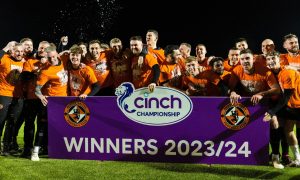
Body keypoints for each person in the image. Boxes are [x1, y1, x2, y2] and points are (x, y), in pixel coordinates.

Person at [32, 45, 68, 161]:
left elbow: (73, 53)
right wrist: (41, 96)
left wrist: (66, 47)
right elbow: (37, 89)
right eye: (49, 58)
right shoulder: (45, 71)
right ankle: (35, 152)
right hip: (51, 102)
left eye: (53, 57)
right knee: (42, 127)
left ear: (57, 54)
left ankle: (59, 150)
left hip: (64, 101)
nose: (52, 59)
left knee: (61, 126)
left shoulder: (64, 60)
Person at [264, 51, 300, 167]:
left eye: (273, 59)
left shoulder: (287, 72)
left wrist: (271, 111)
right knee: (287, 130)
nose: (270, 61)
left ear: (280, 59)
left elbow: (286, 96)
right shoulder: (274, 73)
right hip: (291, 107)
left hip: (297, 106)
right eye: (268, 59)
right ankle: (297, 159)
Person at [0, 43, 25, 155]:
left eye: (21, 51)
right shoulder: (4, 58)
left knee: (12, 123)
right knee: (0, 121)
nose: (19, 53)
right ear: (11, 51)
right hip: (3, 95)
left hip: (18, 97)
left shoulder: (25, 62)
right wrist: (5, 48)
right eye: (16, 51)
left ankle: (6, 147)